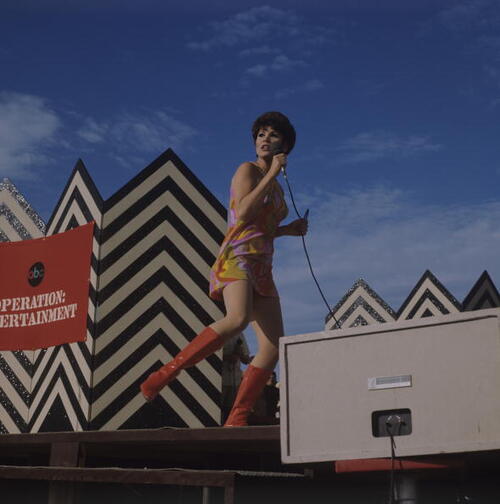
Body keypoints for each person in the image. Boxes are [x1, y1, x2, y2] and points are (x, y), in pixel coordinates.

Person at [140, 111, 308, 426]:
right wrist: (271, 173)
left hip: (262, 265)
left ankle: (238, 416)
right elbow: (243, 212)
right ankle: (163, 375)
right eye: (260, 134)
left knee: (273, 348)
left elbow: (264, 228)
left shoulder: (279, 191)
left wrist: (289, 229)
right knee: (237, 319)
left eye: (272, 135)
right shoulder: (247, 170)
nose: (264, 139)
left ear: (284, 143)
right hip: (238, 257)